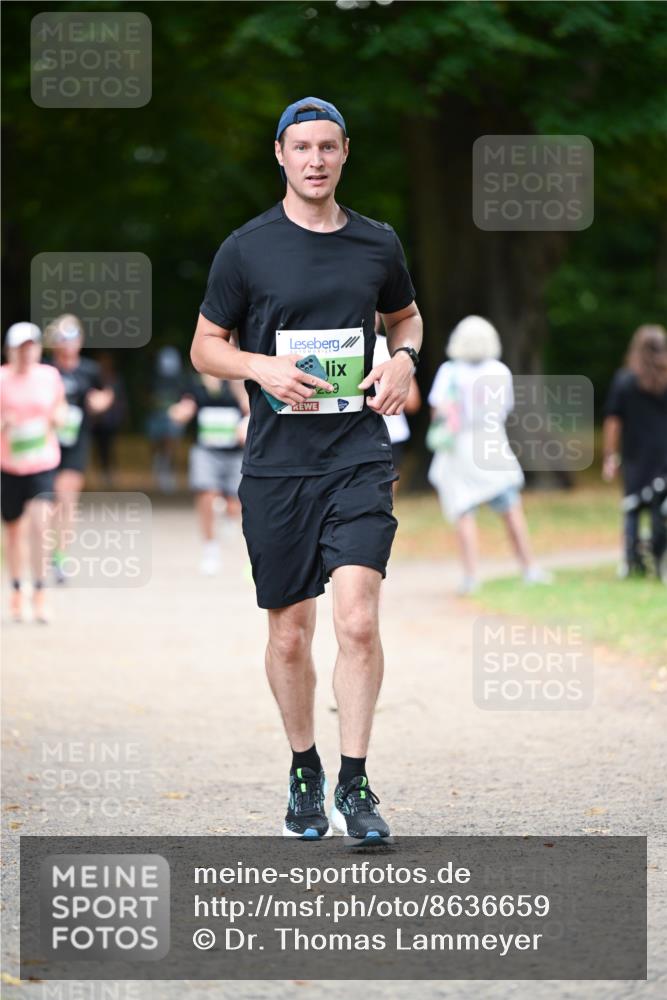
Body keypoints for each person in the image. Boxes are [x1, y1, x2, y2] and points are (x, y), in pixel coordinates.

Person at [191, 97, 422, 842]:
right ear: (281, 155)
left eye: (327, 146)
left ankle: (355, 784)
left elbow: (405, 318)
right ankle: (304, 768)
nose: (315, 160)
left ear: (344, 152)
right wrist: (260, 366)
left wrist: (403, 361)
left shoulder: (376, 243)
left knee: (356, 620)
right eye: (302, 147)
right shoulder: (247, 248)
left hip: (356, 454)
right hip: (277, 468)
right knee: (290, 634)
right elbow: (204, 346)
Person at [427, 315, 552, 595]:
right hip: (491, 443)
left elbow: (438, 411)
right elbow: (505, 409)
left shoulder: (450, 371)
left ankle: (472, 576)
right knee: (511, 508)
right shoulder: (500, 371)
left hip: (459, 447)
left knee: (463, 511)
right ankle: (529, 567)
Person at [1, 322, 66, 622]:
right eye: (21, 348)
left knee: (40, 525)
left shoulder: (49, 376)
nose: (27, 353)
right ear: (10, 351)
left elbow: (61, 408)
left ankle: (40, 592)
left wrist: (57, 418)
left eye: (32, 347)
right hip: (10, 464)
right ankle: (17, 590)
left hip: (42, 461)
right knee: (14, 533)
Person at [45, 314, 114, 583]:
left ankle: (60, 558)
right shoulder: (46, 370)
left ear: (81, 341)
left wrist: (101, 402)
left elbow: (106, 393)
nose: (68, 342)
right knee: (45, 501)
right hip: (47, 441)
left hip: (76, 442)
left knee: (66, 498)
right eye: (63, 337)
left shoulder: (89, 370)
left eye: (73, 336)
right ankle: (44, 551)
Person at [602, 324, 667, 581]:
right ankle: (659, 556)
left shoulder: (626, 380)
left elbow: (613, 421)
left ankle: (631, 560)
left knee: (632, 509)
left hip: (636, 455)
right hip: (664, 455)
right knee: (660, 507)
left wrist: (610, 454)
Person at [168, 372, 249, 575]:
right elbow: (181, 408)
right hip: (205, 450)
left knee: (235, 504)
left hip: (235, 452)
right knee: (206, 494)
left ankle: (228, 515)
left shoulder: (238, 380)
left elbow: (250, 409)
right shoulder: (194, 384)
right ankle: (210, 549)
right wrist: (179, 413)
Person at [372, 312, 421, 487]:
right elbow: (412, 402)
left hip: (353, 434)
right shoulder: (394, 350)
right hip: (392, 435)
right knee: (388, 501)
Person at [145, 346, 190, 494]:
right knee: (155, 442)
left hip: (173, 416)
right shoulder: (154, 377)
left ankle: (168, 468)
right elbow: (148, 396)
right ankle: (159, 463)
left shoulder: (181, 378)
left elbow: (184, 397)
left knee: (171, 441)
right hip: (157, 414)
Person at [90, 351, 128, 488]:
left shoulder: (115, 379)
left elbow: (121, 400)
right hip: (97, 422)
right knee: (99, 449)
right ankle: (102, 474)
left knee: (109, 448)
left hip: (111, 421)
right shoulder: (94, 378)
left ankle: (109, 474)